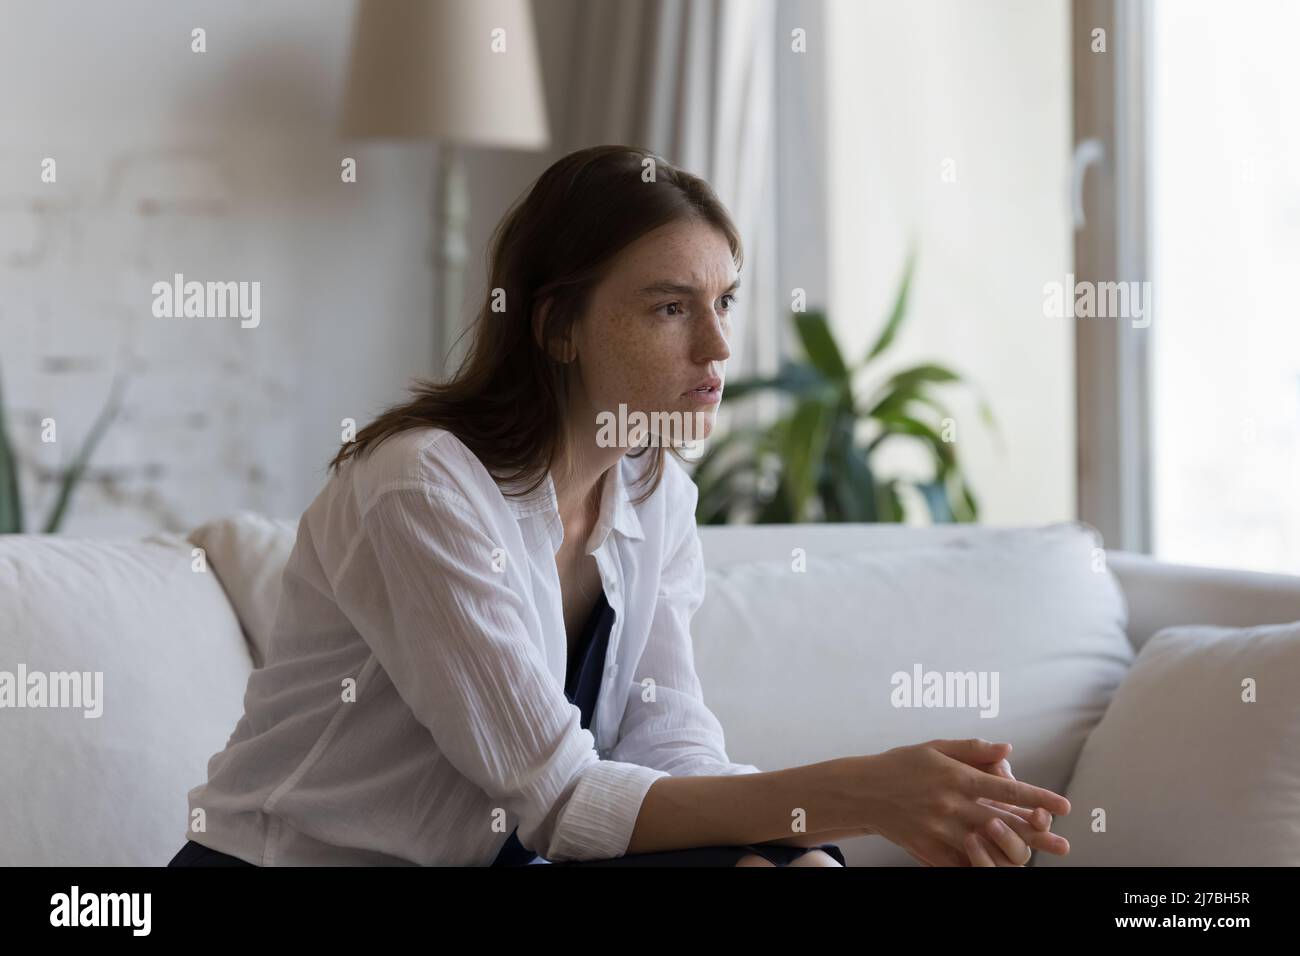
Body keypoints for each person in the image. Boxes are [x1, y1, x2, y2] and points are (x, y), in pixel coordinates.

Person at [169, 144, 1070, 868]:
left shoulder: (652, 490)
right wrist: (867, 794)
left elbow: (668, 745)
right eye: (670, 309)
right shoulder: (422, 487)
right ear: (558, 327)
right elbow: (562, 801)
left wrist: (801, 854)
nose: (718, 347)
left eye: (724, 302)